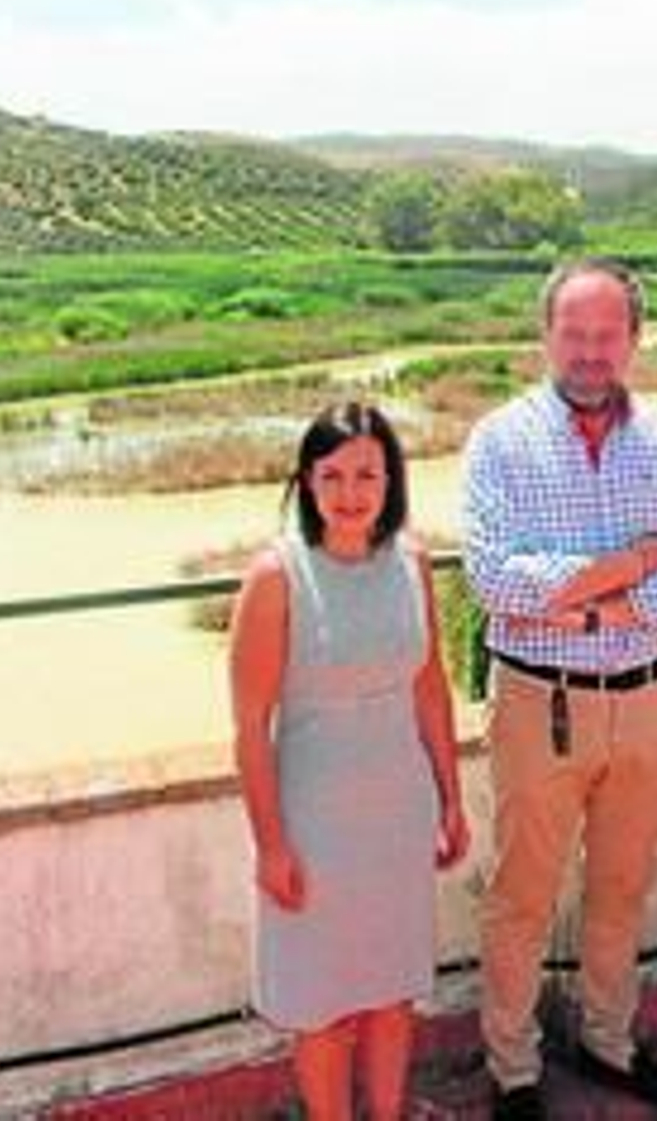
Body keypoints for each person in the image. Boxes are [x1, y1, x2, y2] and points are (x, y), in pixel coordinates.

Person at [461, 258, 657, 1120]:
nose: (590, 351)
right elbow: (493, 579)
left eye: (608, 334)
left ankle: (609, 1043)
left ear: (635, 340)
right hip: (542, 701)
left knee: (622, 885)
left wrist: (601, 605)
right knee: (522, 895)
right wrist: (631, 566)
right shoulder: (500, 441)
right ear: (546, 336)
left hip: (646, 700)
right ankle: (513, 1069)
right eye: (573, 333)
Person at [231, 401, 470, 1121]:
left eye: (367, 474)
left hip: (398, 813)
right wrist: (271, 845)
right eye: (332, 475)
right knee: (324, 1006)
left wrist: (451, 799)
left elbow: (430, 687)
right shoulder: (277, 575)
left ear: (391, 480)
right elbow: (250, 728)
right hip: (315, 825)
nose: (350, 493)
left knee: (392, 993)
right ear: (306, 481)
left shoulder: (412, 561)